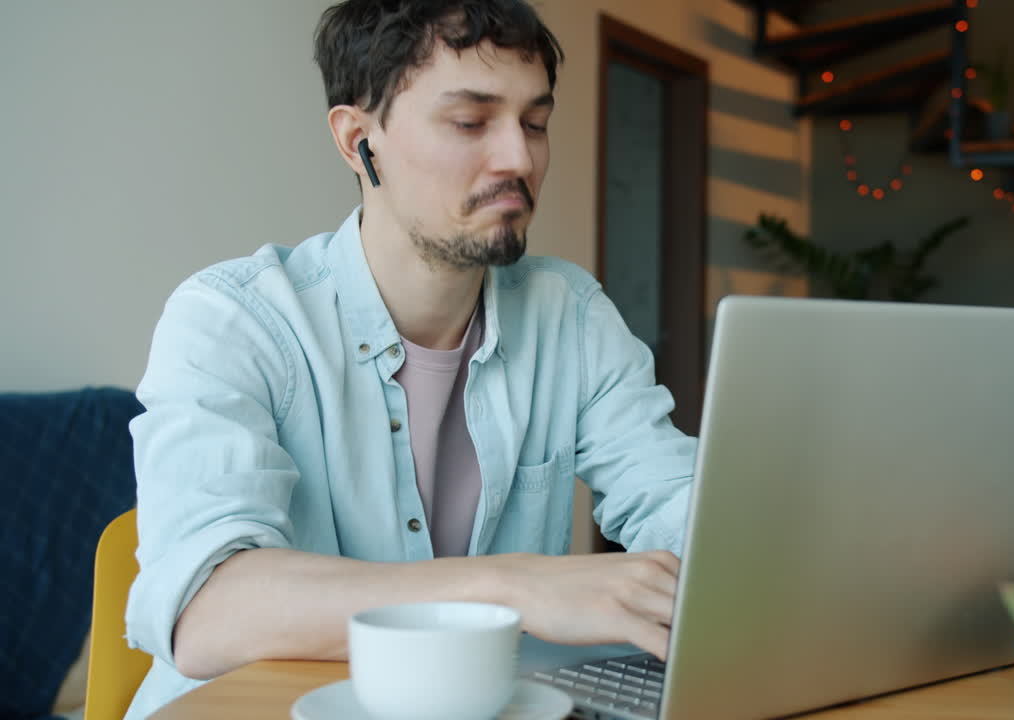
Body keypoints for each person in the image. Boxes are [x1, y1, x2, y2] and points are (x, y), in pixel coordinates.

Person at [122, 1, 695, 717]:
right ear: (360, 140)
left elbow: (685, 514)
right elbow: (206, 611)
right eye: (470, 122)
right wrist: (512, 585)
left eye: (536, 122)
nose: (519, 158)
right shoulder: (232, 320)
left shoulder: (572, 318)